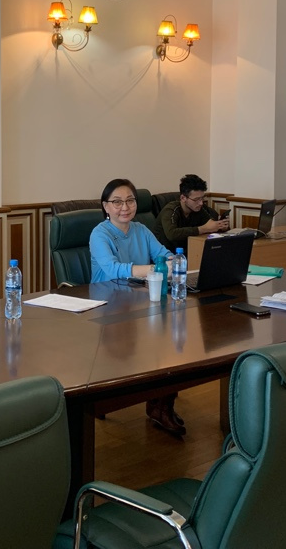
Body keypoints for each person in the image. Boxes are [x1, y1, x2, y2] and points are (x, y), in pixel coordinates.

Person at [90, 179, 185, 436]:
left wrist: (175, 261)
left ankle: (161, 403)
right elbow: (113, 269)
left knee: (169, 341)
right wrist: (156, 269)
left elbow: (164, 253)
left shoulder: (141, 230)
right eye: (117, 202)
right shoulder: (99, 234)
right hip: (107, 307)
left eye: (130, 200)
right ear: (105, 206)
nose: (125, 207)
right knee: (151, 342)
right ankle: (154, 402)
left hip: (140, 300)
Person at [153, 173, 229, 253]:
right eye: (196, 199)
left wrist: (221, 226)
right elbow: (172, 234)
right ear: (183, 198)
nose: (201, 203)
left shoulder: (198, 209)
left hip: (187, 251)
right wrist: (202, 229)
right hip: (164, 254)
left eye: (202, 198)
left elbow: (210, 223)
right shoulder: (171, 210)